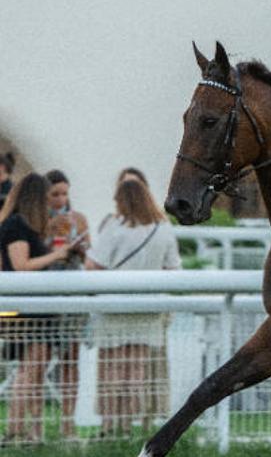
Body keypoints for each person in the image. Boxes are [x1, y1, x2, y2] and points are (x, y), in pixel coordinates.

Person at [86, 179, 181, 435]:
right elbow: (174, 269)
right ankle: (128, 427)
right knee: (137, 371)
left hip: (113, 307)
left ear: (122, 201)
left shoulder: (115, 227)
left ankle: (108, 427)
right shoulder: (163, 228)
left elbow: (92, 265)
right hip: (147, 308)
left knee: (112, 370)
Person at [0, 173, 80, 443]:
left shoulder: (25, 225)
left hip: (36, 307)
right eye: (47, 198)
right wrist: (56, 254)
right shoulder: (15, 225)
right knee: (29, 371)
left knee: (34, 371)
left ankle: (28, 431)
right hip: (27, 309)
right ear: (36, 198)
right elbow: (21, 265)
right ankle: (14, 430)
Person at [44, 169, 91, 437]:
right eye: (55, 194)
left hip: (73, 291)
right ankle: (34, 423)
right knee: (39, 359)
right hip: (48, 291)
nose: (61, 199)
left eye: (65, 193)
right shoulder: (38, 220)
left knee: (71, 359)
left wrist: (80, 247)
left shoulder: (79, 220)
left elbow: (89, 255)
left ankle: (68, 424)